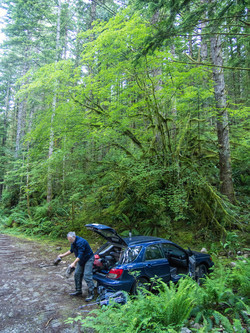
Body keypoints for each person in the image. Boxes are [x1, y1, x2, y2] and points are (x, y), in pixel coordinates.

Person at [58, 231, 95, 302]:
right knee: (77, 274)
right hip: (81, 260)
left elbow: (80, 254)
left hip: (88, 259)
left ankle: (91, 294)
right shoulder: (73, 242)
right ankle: (78, 291)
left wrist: (74, 263)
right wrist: (62, 255)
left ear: (74, 237)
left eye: (70, 240)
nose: (70, 241)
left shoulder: (81, 242)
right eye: (69, 240)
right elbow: (71, 250)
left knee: (87, 275)